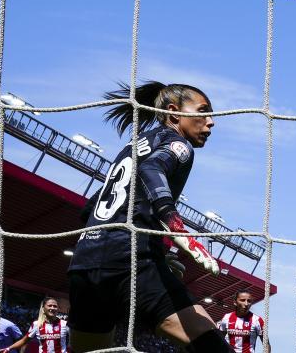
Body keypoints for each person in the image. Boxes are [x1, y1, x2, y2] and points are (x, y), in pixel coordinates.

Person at [66, 82, 224, 352]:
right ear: (174, 113)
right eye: (203, 112)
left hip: (85, 263)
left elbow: (90, 207)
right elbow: (152, 169)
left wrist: (157, 251)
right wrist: (177, 229)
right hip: (131, 261)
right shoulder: (179, 145)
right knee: (211, 345)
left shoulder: (132, 146)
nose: (211, 122)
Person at [1, 297, 68, 353]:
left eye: (55, 306)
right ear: (43, 308)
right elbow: (24, 340)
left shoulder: (65, 324)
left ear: (57, 309)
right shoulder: (37, 324)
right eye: (49, 305)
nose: (52, 308)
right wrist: (8, 348)